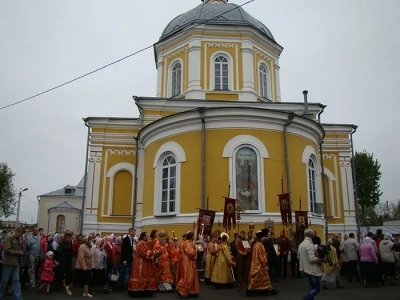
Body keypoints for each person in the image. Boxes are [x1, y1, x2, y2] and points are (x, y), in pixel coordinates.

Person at [246, 230, 278, 297]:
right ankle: (262, 290)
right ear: (262, 237)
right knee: (264, 278)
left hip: (255, 264)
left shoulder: (256, 244)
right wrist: (265, 264)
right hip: (260, 265)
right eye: (264, 237)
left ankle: (259, 290)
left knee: (258, 279)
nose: (265, 239)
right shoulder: (260, 245)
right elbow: (261, 256)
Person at [128, 232, 159, 297]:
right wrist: (154, 253)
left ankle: (145, 291)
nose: (149, 237)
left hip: (145, 263)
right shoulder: (140, 243)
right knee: (140, 277)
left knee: (147, 277)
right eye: (147, 236)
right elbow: (144, 253)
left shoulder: (145, 243)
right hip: (140, 264)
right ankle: (138, 291)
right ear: (144, 237)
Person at [298, 229, 326, 300]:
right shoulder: (310, 245)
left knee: (312, 287)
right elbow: (312, 259)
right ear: (312, 236)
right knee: (316, 288)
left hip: (305, 269)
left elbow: (298, 256)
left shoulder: (301, 244)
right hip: (312, 270)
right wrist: (321, 259)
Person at [0, 227, 25, 300]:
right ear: (17, 231)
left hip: (16, 262)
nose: (20, 236)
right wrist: (18, 252)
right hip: (8, 262)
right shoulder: (9, 238)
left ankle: (18, 298)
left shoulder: (18, 240)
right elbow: (6, 249)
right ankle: (1, 296)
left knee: (16, 280)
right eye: (20, 234)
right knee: (4, 280)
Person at [176, 232, 199, 298]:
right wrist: (195, 251)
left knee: (188, 276)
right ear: (191, 237)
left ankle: (192, 292)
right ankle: (180, 289)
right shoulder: (188, 243)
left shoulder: (183, 242)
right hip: (188, 262)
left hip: (184, 261)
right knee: (188, 277)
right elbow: (191, 252)